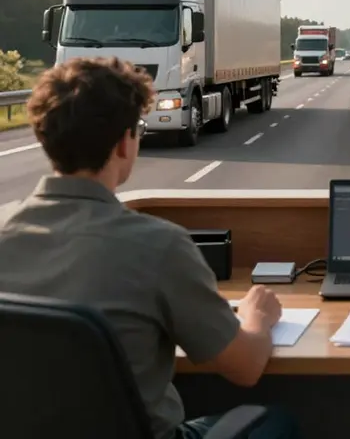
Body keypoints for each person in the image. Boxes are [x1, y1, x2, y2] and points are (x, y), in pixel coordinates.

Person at [0, 57, 299, 439]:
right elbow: (245, 367)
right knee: (276, 422)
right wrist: (258, 317)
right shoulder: (157, 246)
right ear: (125, 143)